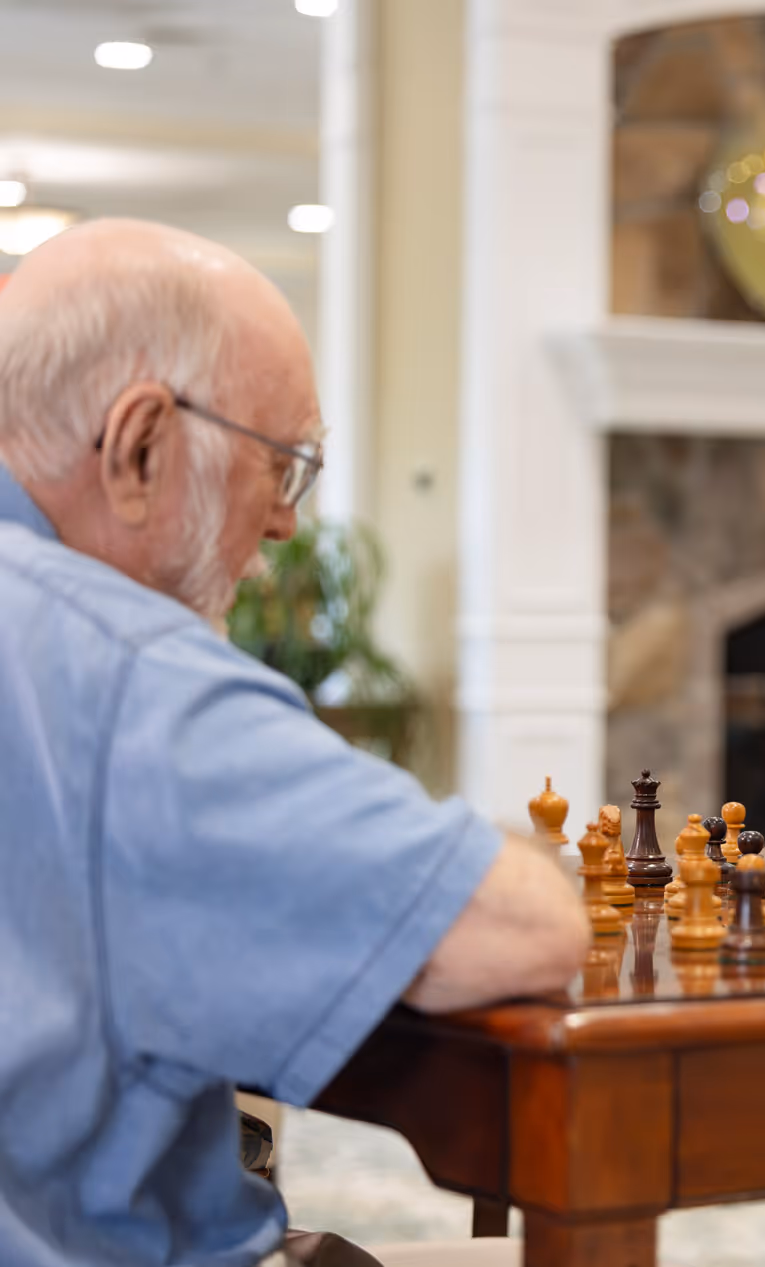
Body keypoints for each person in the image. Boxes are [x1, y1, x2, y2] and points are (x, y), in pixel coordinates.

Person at [0, 219, 591, 1267]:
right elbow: (525, 930)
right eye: (280, 465)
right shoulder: (122, 672)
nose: (282, 525)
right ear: (139, 445)